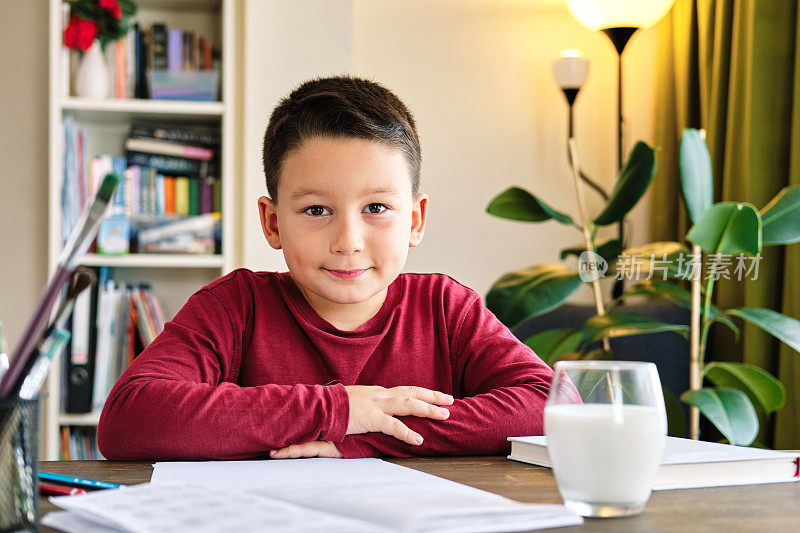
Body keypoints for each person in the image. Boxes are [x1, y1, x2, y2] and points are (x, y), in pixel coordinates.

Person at [97, 76, 554, 460]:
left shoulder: (445, 307)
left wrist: (368, 436)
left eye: (376, 206)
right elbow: (130, 418)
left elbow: (545, 405)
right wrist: (339, 408)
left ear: (414, 220)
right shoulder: (235, 307)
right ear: (273, 223)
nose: (348, 242)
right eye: (316, 211)